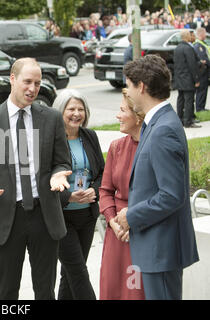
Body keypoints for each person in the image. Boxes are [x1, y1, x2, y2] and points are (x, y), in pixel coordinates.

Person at [0, 58, 72, 300]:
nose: (33, 89)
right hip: (6, 216)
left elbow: (62, 161)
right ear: (12, 80)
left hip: (43, 215)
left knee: (45, 290)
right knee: (7, 291)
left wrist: (59, 173)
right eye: (27, 82)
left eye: (37, 83)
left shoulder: (52, 118)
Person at [118, 54, 199, 300]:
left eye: (129, 86)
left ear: (141, 86)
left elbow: (172, 195)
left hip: (161, 249)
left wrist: (131, 215)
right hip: (156, 246)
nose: (128, 93)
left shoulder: (163, 129)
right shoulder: (157, 123)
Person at [53, 89, 105, 300]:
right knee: (79, 274)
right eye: (71, 109)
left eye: (80, 109)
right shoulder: (52, 141)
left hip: (87, 215)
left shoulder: (89, 136)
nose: (76, 113)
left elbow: (103, 172)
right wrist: (69, 197)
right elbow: (43, 180)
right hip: (62, 217)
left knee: (71, 273)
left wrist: (95, 189)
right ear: (60, 111)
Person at [99, 88, 145, 300]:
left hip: (141, 232)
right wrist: (113, 222)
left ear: (138, 116)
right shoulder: (116, 147)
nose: (117, 115)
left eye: (122, 110)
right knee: (112, 288)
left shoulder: (151, 147)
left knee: (135, 291)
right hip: (116, 233)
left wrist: (132, 221)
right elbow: (106, 191)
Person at [173, 30, 201, 128]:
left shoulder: (177, 48)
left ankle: (179, 119)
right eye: (189, 35)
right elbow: (192, 65)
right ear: (186, 36)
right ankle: (188, 121)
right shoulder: (188, 48)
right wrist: (196, 79)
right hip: (188, 78)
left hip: (179, 77)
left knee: (180, 99)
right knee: (189, 100)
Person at [194, 27, 209, 112]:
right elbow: (203, 59)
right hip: (201, 71)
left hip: (205, 71)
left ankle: (202, 107)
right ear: (201, 34)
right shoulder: (198, 45)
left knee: (204, 91)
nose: (206, 35)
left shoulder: (202, 44)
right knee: (201, 91)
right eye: (204, 33)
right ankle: (199, 108)